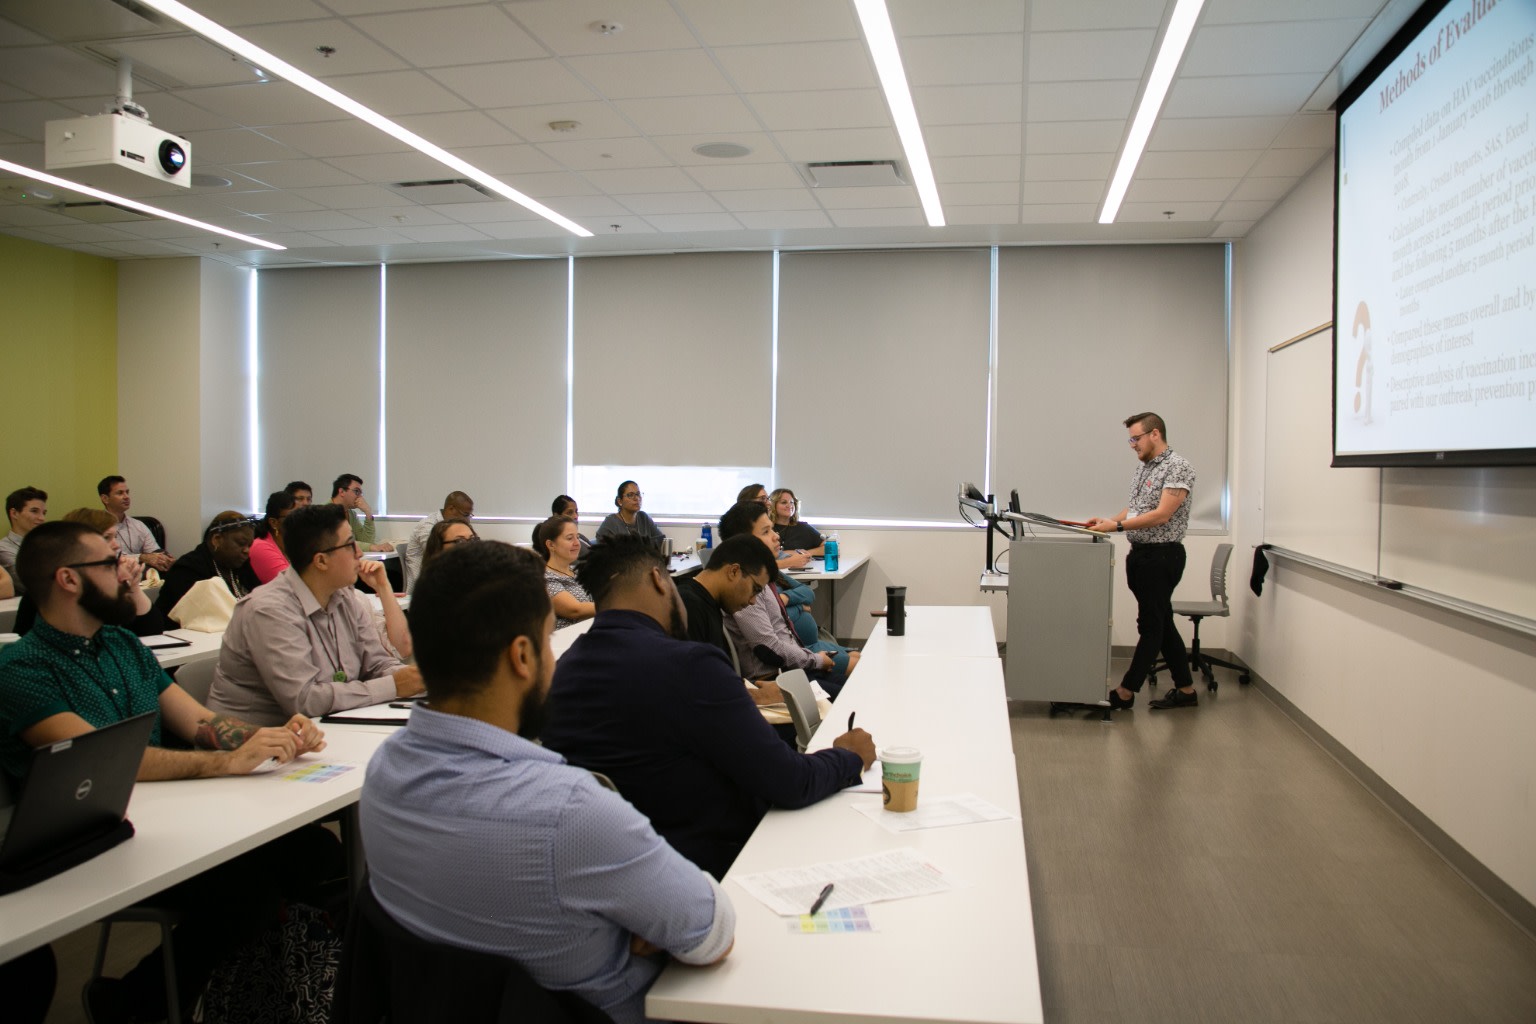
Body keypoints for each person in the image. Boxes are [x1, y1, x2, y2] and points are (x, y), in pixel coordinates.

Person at [361, 540, 734, 1024]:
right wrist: (637, 918)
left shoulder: (384, 773)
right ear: (522, 656)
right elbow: (712, 932)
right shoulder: (570, 814)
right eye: (546, 642)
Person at [0, 521, 337, 1024]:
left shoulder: (122, 644)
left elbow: (199, 722)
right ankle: (138, 1003)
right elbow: (105, 759)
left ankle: (294, 994)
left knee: (316, 854)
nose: (127, 571)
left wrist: (271, 736)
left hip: (161, 815)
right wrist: (227, 761)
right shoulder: (22, 668)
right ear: (68, 579)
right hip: (82, 840)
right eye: (111, 563)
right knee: (247, 898)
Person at [542, 536, 875, 879]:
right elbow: (790, 781)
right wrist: (847, 756)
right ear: (660, 580)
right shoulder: (689, 666)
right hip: (712, 867)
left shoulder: (564, 671)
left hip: (610, 869)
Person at [207, 503, 423, 725]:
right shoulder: (270, 610)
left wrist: (421, 680)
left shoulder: (345, 596)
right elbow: (304, 700)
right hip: (253, 742)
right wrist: (394, 685)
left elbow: (376, 664)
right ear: (321, 560)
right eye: (350, 545)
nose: (360, 553)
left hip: (319, 730)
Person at [1086, 411, 1199, 710]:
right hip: (1141, 556)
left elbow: (1162, 514)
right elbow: (1136, 508)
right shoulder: (1145, 468)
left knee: (1150, 626)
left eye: (1136, 438)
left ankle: (1126, 692)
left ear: (1155, 434)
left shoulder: (1178, 467)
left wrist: (1118, 527)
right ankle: (1187, 690)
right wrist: (1109, 520)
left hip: (1162, 557)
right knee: (1163, 622)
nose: (1132, 444)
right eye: (1130, 439)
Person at [717, 501, 859, 697]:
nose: (776, 536)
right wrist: (816, 660)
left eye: (773, 529)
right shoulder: (745, 588)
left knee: (860, 685)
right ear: (744, 542)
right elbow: (769, 648)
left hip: (796, 666)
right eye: (766, 532)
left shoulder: (763, 576)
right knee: (853, 696)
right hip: (776, 678)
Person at [10, 508, 163, 637]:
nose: (116, 545)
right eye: (107, 537)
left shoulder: (121, 644)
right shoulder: (48, 590)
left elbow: (153, 631)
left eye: (115, 537)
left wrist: (133, 587)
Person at [154, 511, 260, 619]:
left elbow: (259, 597)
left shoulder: (240, 564)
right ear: (217, 540)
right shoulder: (188, 569)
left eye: (249, 545)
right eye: (241, 544)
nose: (247, 551)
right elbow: (201, 617)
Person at [96, 475, 172, 571]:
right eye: (120, 493)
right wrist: (140, 557)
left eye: (127, 492)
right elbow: (109, 558)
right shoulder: (97, 526)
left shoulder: (138, 525)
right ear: (105, 499)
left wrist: (165, 558)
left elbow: (154, 551)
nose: (126, 497)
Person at [533, 515, 595, 628]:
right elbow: (575, 610)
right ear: (551, 545)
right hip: (565, 641)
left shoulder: (575, 572)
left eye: (577, 537)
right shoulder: (546, 578)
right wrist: (615, 606)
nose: (577, 543)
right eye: (570, 538)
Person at [404, 490, 474, 590]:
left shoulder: (454, 526)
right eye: (466, 514)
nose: (468, 520)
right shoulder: (427, 526)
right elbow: (439, 554)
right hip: (424, 588)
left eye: (470, 515)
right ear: (451, 509)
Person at [0, 485, 46, 594]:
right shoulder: (3, 549)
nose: (42, 518)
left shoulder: (47, 545)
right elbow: (28, 583)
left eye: (44, 513)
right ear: (14, 513)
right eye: (34, 511)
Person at [330, 473, 393, 552]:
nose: (360, 496)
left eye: (360, 493)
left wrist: (368, 513)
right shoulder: (324, 511)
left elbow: (366, 541)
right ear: (342, 491)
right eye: (356, 491)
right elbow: (339, 542)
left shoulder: (351, 514)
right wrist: (372, 547)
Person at [594, 480, 664, 547]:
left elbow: (661, 540)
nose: (636, 498)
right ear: (620, 501)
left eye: (638, 494)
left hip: (645, 558)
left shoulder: (644, 517)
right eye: (630, 495)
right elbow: (601, 549)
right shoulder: (610, 522)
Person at [249, 489, 295, 584]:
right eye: (292, 517)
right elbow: (290, 586)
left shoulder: (294, 545)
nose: (299, 520)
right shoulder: (260, 547)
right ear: (274, 523)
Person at [769, 487, 825, 554]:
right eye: (784, 502)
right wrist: (791, 553)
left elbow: (828, 548)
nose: (789, 505)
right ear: (773, 505)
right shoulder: (766, 528)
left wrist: (804, 553)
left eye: (791, 502)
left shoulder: (803, 527)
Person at [551, 494, 595, 559]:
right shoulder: (558, 541)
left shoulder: (580, 536)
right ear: (556, 516)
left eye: (576, 511)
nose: (575, 516)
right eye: (569, 512)